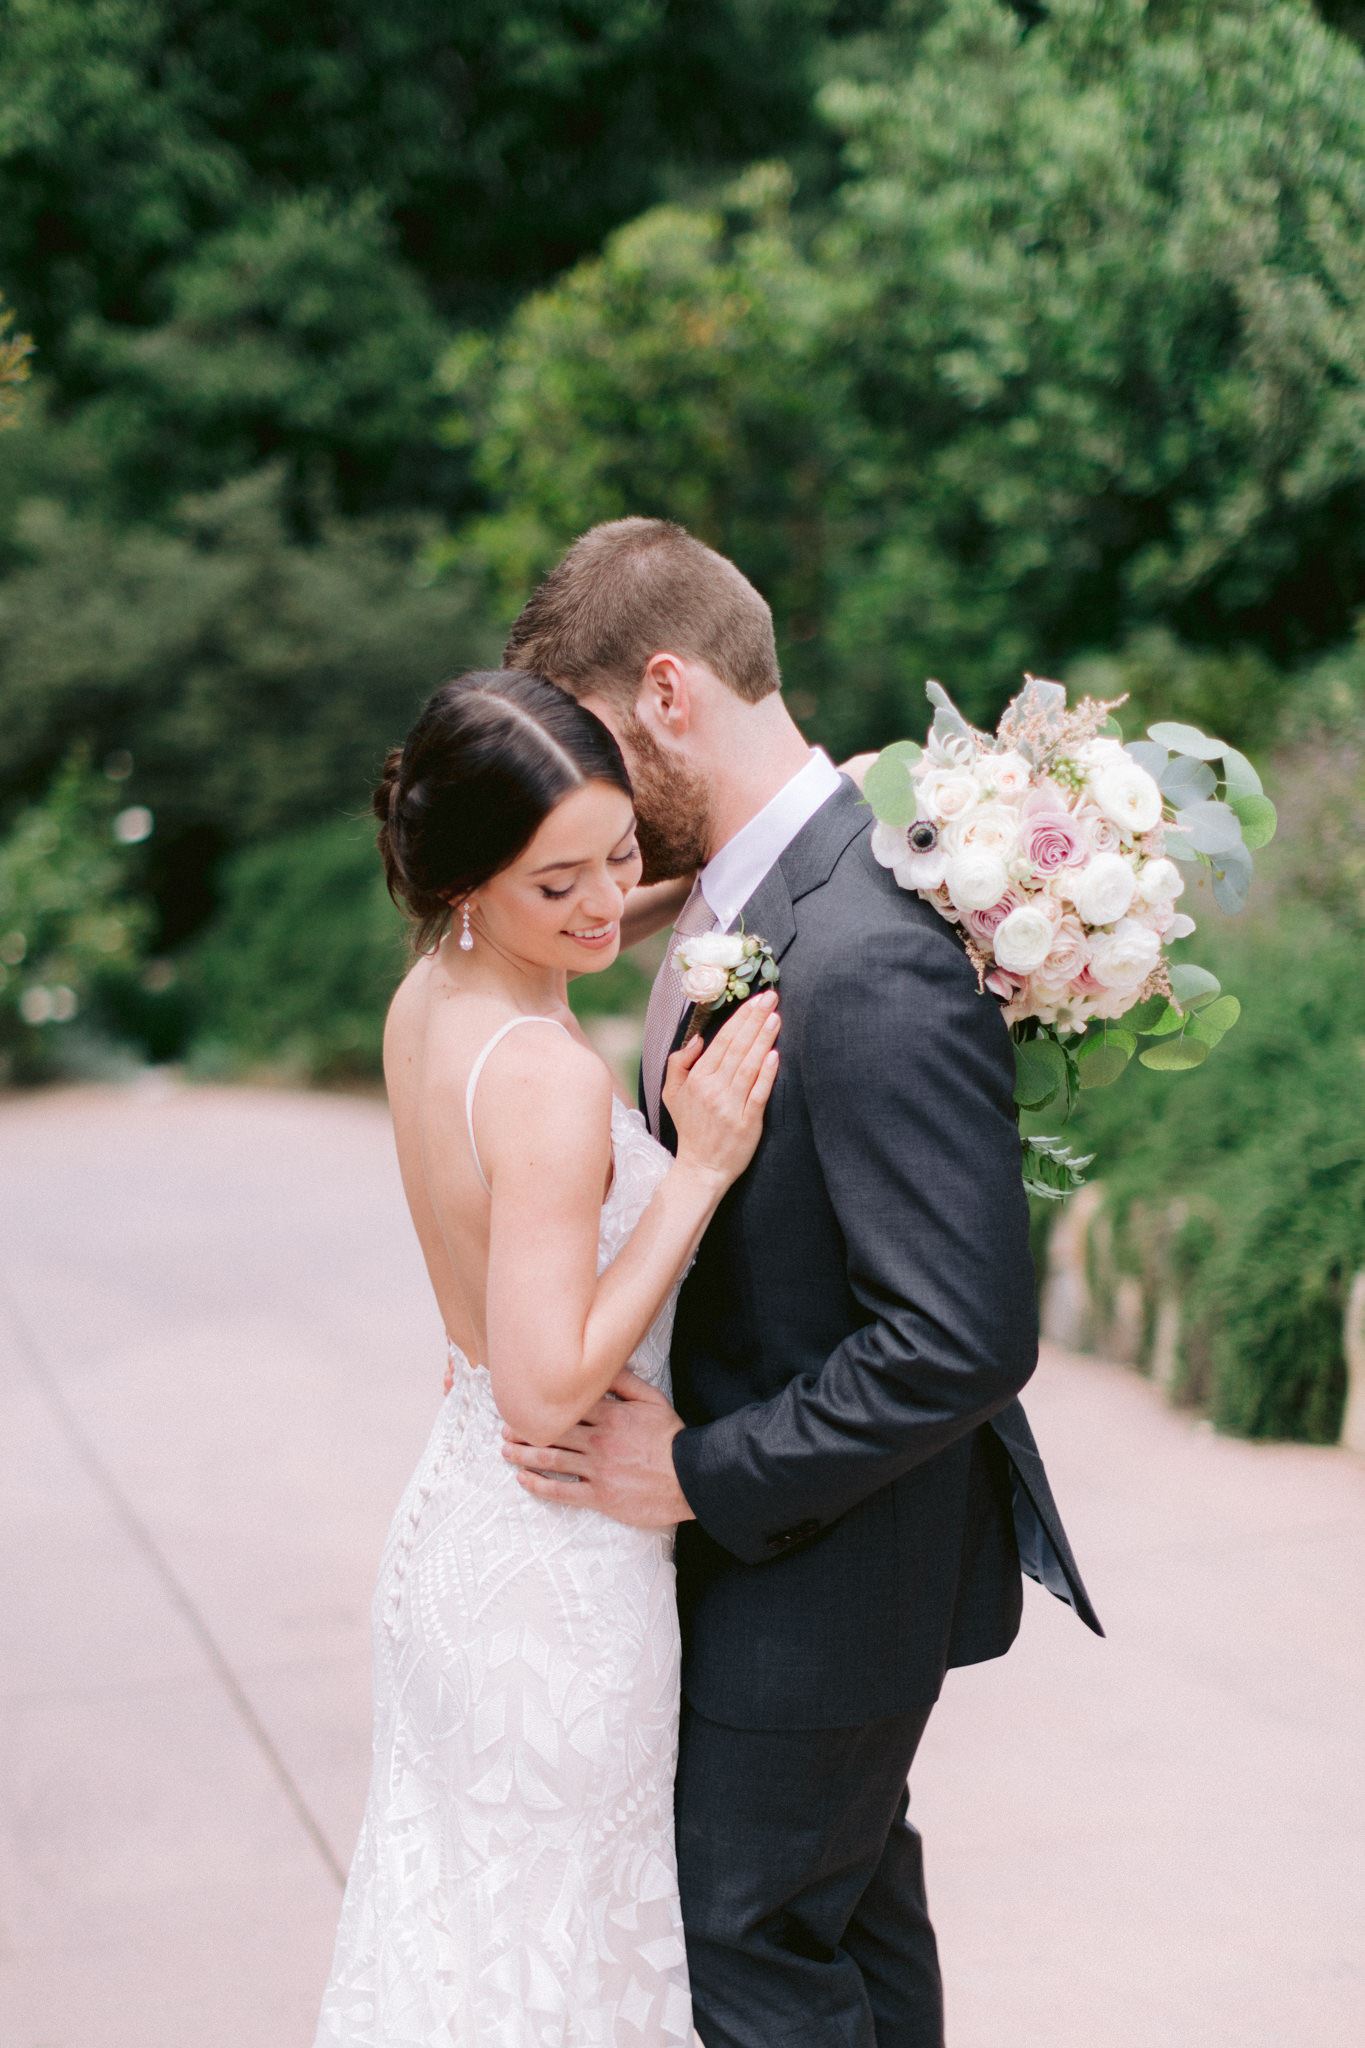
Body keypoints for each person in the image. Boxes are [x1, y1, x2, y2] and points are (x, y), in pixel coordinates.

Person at [500, 519, 1103, 2048]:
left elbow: (959, 1335)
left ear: (666, 694)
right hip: (781, 1570)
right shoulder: (747, 898)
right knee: (841, 1929)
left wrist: (697, 1472)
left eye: (589, 737)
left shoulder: (863, 942)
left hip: (824, 1572)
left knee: (742, 1946)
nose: (579, 788)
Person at [313, 667, 781, 2045]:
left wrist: (775, 832)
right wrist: (699, 1171)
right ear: (469, 881)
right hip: (556, 1569)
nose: (602, 904)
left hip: (458, 1541)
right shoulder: (545, 1077)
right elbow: (543, 1388)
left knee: (468, 1954)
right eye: (558, 882)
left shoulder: (433, 993)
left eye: (620, 855)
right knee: (561, 1972)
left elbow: (568, 910)